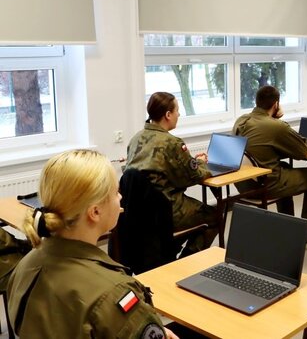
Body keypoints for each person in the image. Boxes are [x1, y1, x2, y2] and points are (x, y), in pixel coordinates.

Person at [7, 149, 178, 339]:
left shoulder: (25, 265)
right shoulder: (114, 294)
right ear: (95, 212)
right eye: (116, 192)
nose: (121, 197)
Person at [125, 91, 219, 257]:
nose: (179, 114)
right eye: (177, 111)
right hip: (166, 208)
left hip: (137, 210)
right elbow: (194, 176)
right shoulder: (172, 143)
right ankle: (186, 262)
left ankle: (165, 250)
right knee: (214, 216)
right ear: (168, 115)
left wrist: (194, 163)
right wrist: (203, 164)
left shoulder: (136, 138)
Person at [233, 85, 307, 221]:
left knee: (286, 167)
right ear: (276, 105)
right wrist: (277, 120)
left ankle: (287, 223)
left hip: (243, 183)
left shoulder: (241, 120)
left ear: (257, 101)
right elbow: (303, 151)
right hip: (266, 185)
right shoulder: (276, 126)